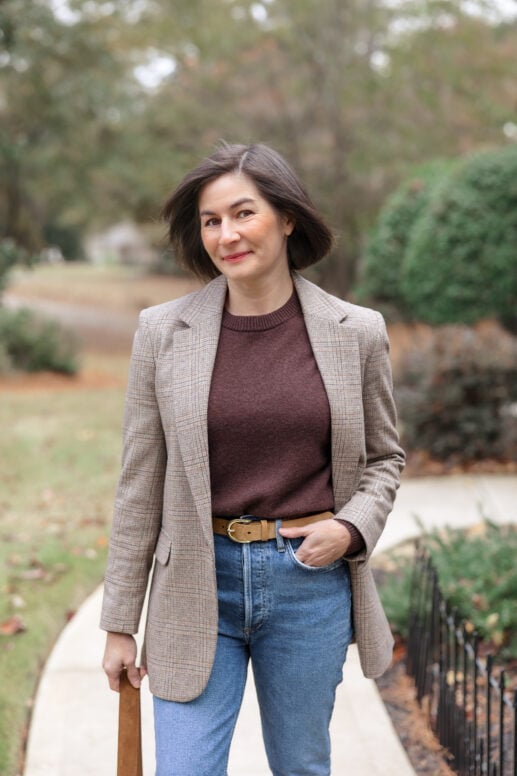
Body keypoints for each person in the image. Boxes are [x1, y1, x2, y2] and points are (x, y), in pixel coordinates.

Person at [101, 142, 405, 776]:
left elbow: (384, 458)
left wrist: (350, 529)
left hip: (307, 586)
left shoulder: (356, 331)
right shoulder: (162, 332)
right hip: (194, 582)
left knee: (300, 766)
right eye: (211, 221)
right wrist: (120, 622)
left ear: (287, 218)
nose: (227, 235)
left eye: (244, 213)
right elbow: (139, 484)